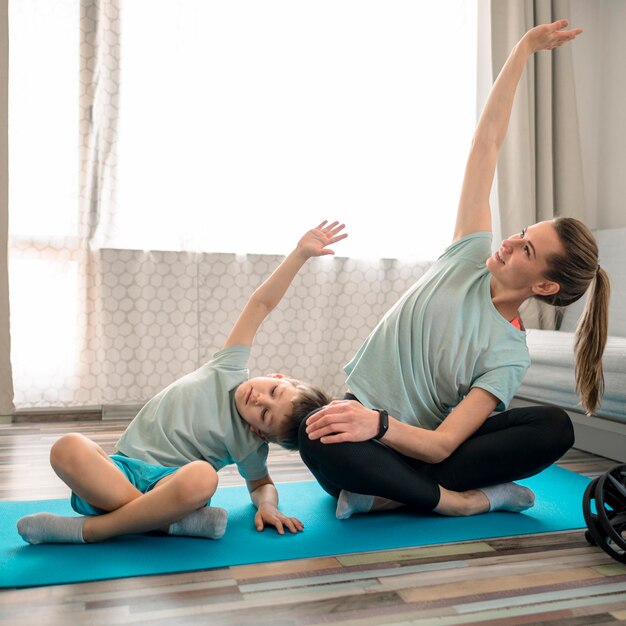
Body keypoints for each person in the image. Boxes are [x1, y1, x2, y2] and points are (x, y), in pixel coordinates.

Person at [299, 20, 610, 520]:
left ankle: (406, 494)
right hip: (367, 433)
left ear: (545, 285)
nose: (510, 241)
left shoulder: (508, 353)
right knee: (314, 430)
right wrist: (524, 49)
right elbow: (484, 146)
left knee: (555, 427)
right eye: (522, 231)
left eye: (527, 249)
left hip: (410, 443)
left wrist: (378, 426)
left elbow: (444, 443)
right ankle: (463, 500)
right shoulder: (468, 256)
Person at [17, 220, 345, 544]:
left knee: (203, 476)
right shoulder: (228, 368)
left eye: (265, 415)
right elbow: (260, 305)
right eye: (273, 391)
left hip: (172, 487)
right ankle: (163, 524)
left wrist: (269, 507)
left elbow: (260, 484)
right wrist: (298, 256)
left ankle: (92, 531)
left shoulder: (249, 444)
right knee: (67, 447)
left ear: (259, 432)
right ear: (277, 376)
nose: (261, 400)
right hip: (120, 474)